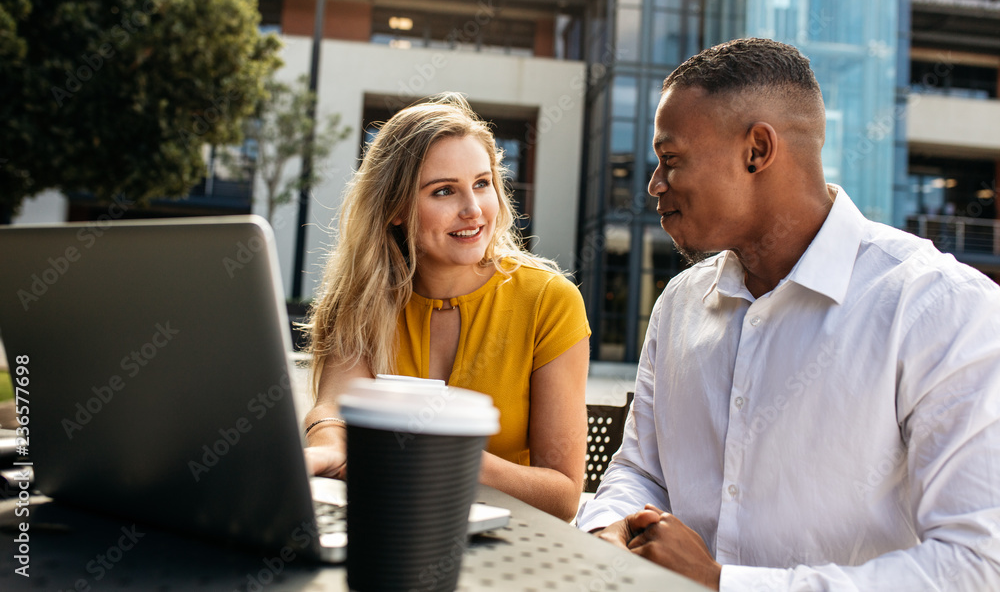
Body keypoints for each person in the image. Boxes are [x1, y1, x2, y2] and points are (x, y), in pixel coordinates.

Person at [575, 38, 1000, 589]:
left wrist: (722, 582)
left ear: (757, 150)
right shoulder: (680, 304)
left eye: (671, 159)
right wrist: (613, 528)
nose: (654, 185)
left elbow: (975, 565)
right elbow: (639, 471)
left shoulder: (940, 308)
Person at [302, 93, 591, 521]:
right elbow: (334, 408)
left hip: (511, 550)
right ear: (396, 208)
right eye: (444, 191)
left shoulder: (549, 301)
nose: (473, 210)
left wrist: (447, 456)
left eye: (482, 183)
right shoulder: (360, 300)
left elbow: (563, 495)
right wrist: (328, 446)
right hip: (389, 526)